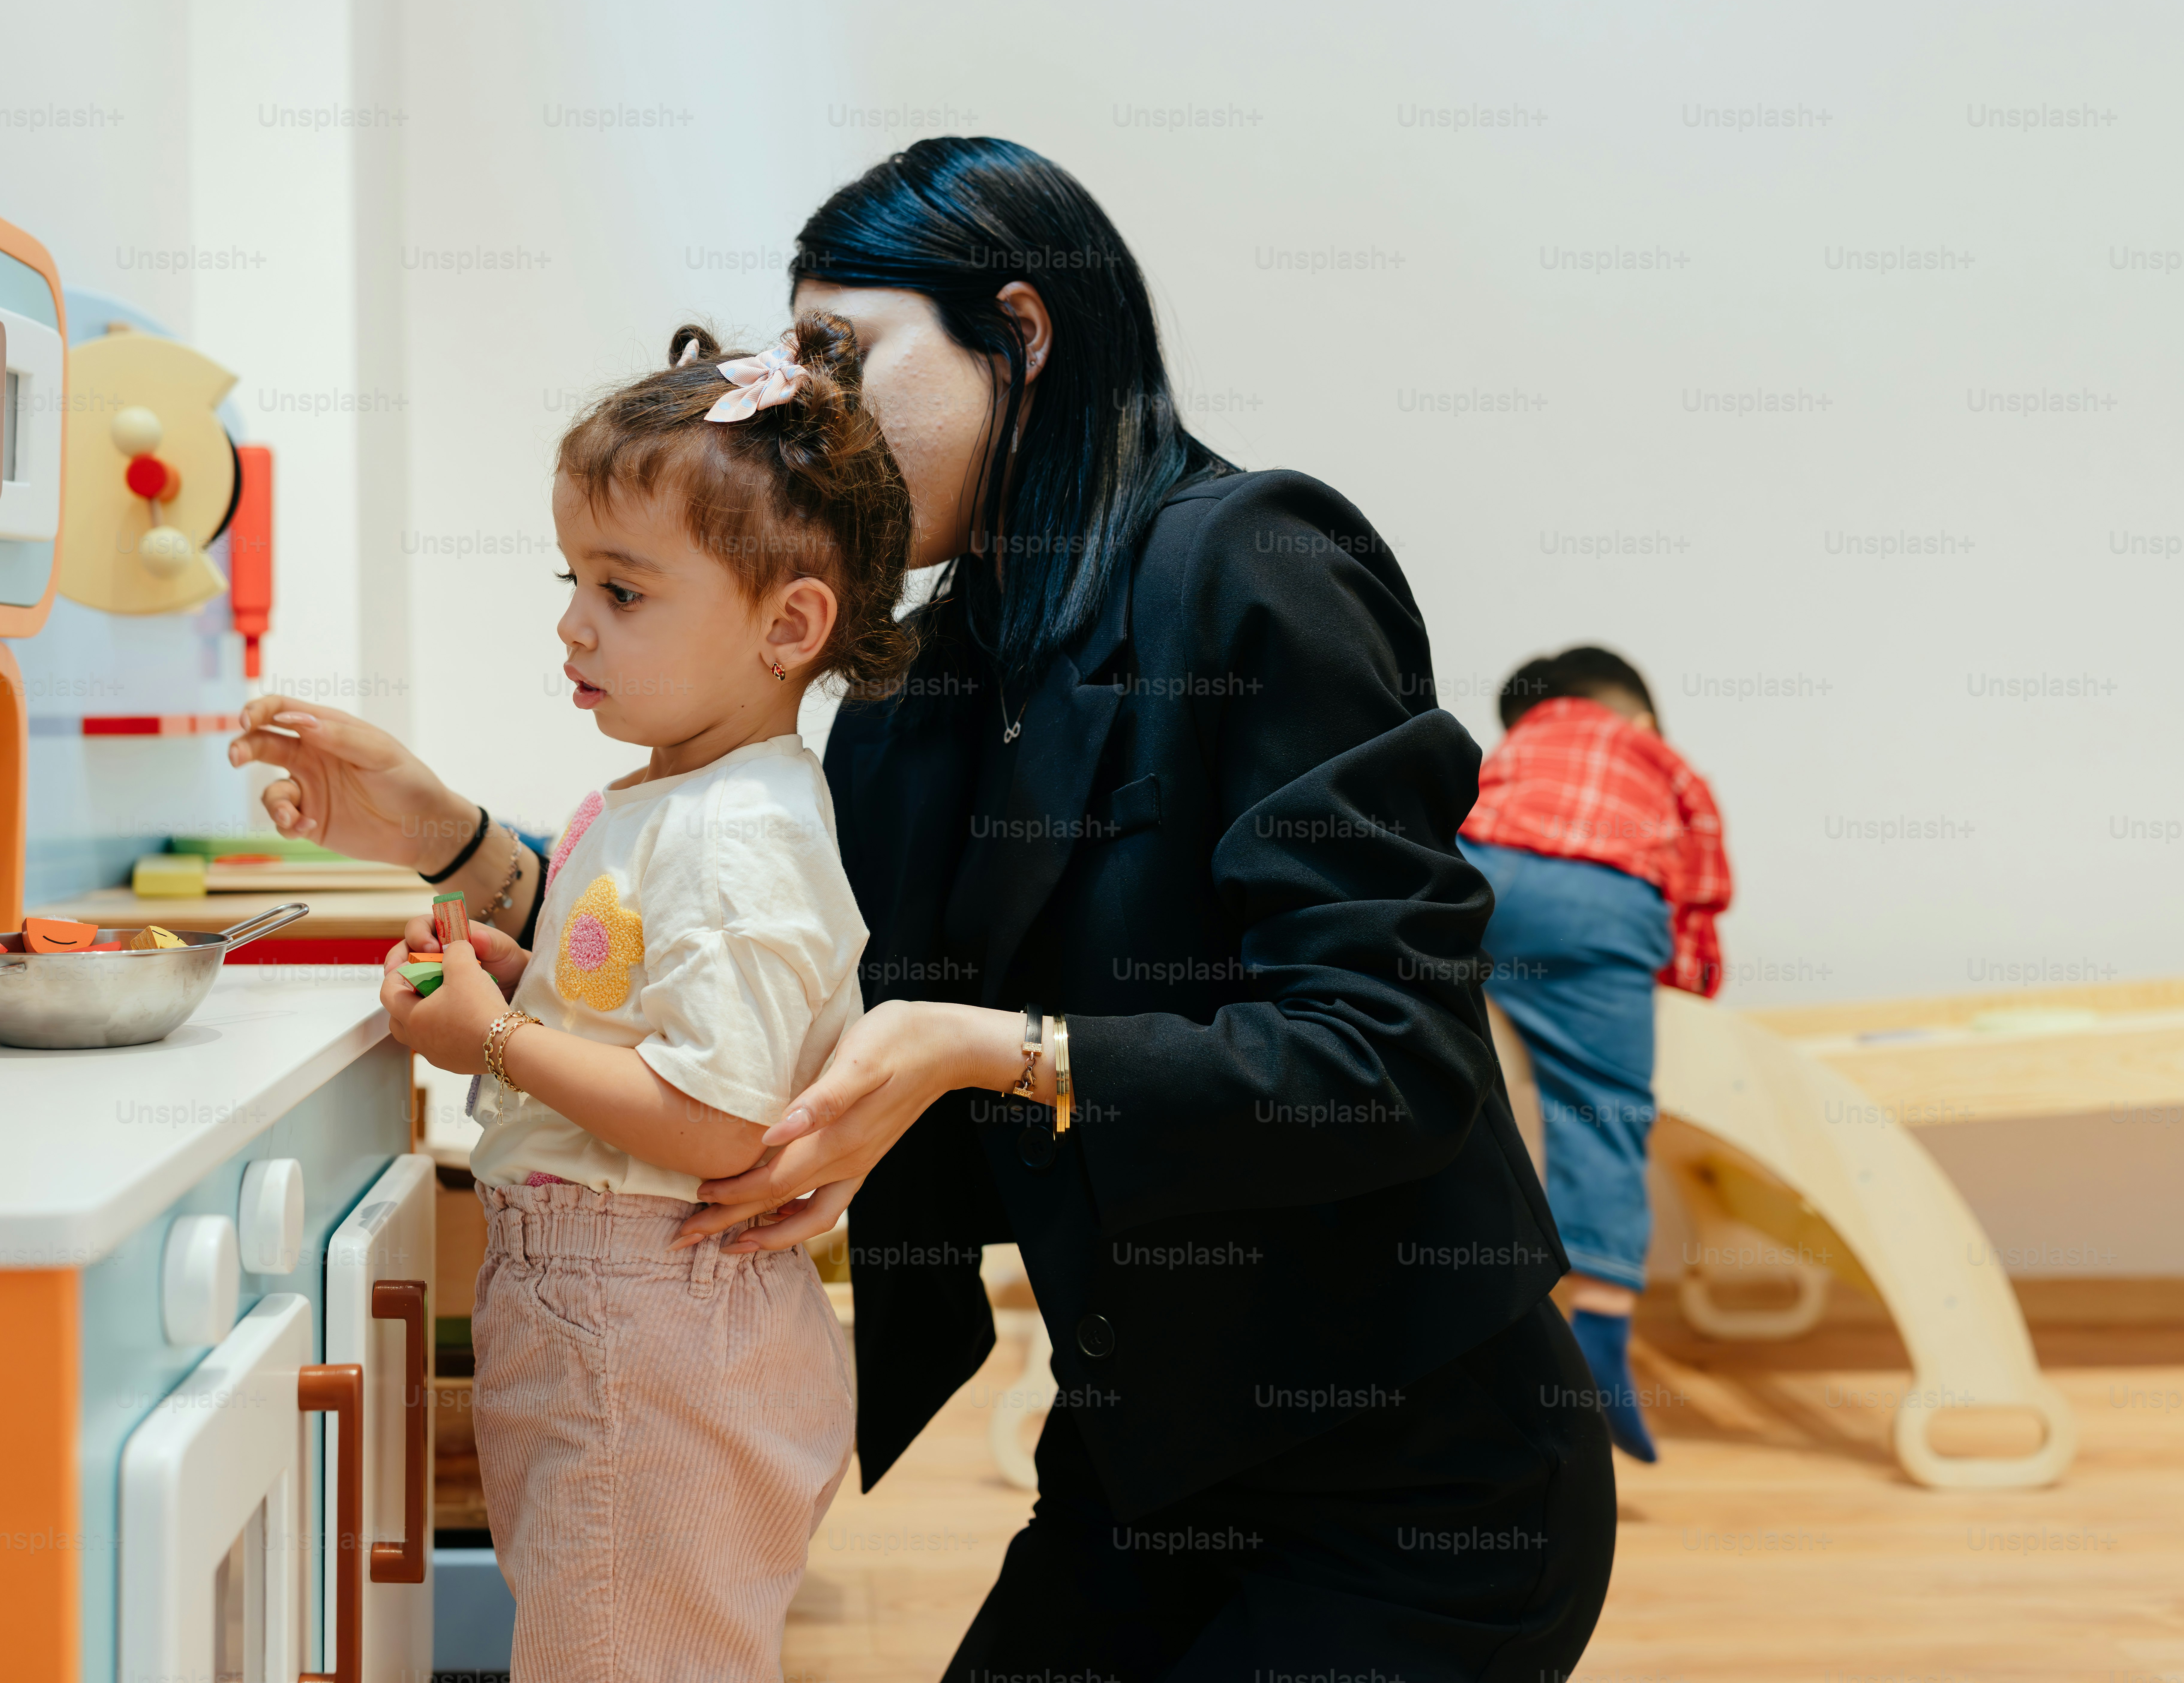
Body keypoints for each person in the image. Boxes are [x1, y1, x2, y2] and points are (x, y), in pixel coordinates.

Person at [231, 138, 1614, 1680]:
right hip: (1143, 1468)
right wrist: (447, 841)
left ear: (1017, 335)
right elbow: (732, 965)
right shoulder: (913, 690)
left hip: (1415, 1482)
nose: (806, 398)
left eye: (842, 351)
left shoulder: (1252, 567)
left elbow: (1388, 1053)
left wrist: (1001, 1047)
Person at [356, 315, 911, 1682]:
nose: (570, 620)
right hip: (617, 1322)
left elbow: (716, 1121)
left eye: (622, 589)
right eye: (572, 577)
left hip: (645, 1334)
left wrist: (493, 1038)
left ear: (788, 626)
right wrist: (525, 979)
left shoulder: (737, 829)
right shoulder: (669, 798)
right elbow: (644, 1005)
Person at [1459, 645, 1734, 1462]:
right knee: (1600, 1110)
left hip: (1482, 876)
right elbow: (1699, 876)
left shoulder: (1513, 754)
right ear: (1643, 720)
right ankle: (1603, 1335)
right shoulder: (1658, 759)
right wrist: (1683, 985)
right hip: (1602, 901)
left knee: (1453, 1076)